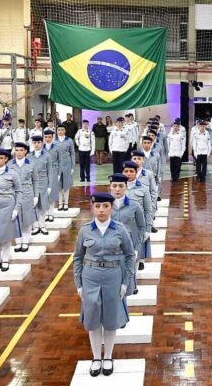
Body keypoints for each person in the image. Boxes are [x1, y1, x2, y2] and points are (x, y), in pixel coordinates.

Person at [73, 192, 134, 377]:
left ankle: (107, 356)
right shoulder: (84, 230)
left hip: (112, 276)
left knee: (110, 318)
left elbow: (130, 255)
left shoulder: (120, 229)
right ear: (93, 207)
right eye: (97, 206)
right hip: (90, 277)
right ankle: (96, 358)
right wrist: (79, 284)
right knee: (92, 320)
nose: (101, 210)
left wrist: (125, 282)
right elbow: (78, 257)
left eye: (105, 206)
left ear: (111, 208)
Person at [108, 174, 143, 295]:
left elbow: (141, 227)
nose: (117, 189)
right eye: (115, 186)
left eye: (121, 186)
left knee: (129, 269)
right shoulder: (105, 206)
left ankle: (132, 287)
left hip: (128, 244)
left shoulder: (134, 205)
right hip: (109, 245)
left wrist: (137, 247)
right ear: (110, 187)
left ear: (126, 187)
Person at [121, 161, 154, 274]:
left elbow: (148, 209)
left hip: (137, 225)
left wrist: (148, 228)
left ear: (136, 173)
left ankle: (132, 281)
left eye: (131, 171)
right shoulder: (118, 188)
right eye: (126, 171)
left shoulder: (143, 189)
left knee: (135, 254)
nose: (128, 174)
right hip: (122, 225)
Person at [10, 143, 35, 253]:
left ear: (25, 151)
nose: (19, 152)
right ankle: (18, 241)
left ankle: (25, 241)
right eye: (17, 150)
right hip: (14, 193)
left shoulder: (31, 164)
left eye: (21, 150)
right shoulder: (10, 164)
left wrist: (36, 195)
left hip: (27, 192)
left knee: (27, 218)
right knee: (15, 218)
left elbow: (36, 180)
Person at [28, 136, 51, 236]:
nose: (36, 145)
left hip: (43, 182)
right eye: (35, 143)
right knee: (33, 206)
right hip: (32, 184)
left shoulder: (47, 156)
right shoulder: (28, 156)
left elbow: (50, 171)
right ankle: (36, 225)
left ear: (42, 143)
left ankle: (43, 225)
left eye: (38, 142)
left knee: (43, 205)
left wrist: (50, 185)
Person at [54, 124, 76, 211]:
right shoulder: (54, 141)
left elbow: (72, 154)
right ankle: (60, 203)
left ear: (65, 131)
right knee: (58, 185)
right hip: (57, 166)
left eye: (62, 129)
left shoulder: (69, 141)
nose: (60, 131)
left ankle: (66, 203)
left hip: (67, 165)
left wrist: (72, 167)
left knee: (66, 185)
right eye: (59, 129)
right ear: (57, 131)